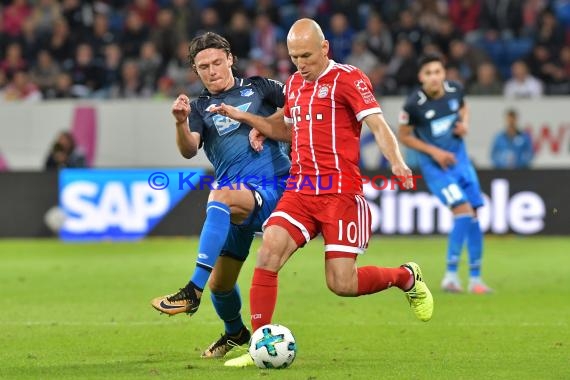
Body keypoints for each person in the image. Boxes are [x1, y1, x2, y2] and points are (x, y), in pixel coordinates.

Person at [211, 19, 434, 368]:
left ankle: (406, 276)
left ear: (325, 48)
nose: (300, 64)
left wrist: (398, 162)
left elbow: (378, 124)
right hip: (300, 190)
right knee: (268, 250)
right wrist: (254, 124)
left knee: (341, 283)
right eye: (294, 56)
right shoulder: (296, 84)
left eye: (306, 56)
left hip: (339, 194)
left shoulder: (349, 79)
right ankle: (260, 344)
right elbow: (285, 127)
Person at [150, 32, 291, 359]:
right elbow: (188, 150)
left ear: (230, 58)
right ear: (195, 72)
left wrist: (263, 124)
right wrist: (180, 123)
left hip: (274, 187)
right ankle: (235, 332)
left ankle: (191, 291)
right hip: (237, 199)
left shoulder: (259, 88)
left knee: (220, 196)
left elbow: (300, 106)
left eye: (216, 62)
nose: (212, 70)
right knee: (222, 286)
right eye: (203, 67)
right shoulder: (198, 107)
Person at [398, 53, 492, 295]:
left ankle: (475, 278)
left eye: (437, 72)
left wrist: (465, 123)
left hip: (461, 163)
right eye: (428, 73)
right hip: (437, 169)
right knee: (463, 212)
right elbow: (404, 136)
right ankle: (450, 276)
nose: (434, 77)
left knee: (474, 216)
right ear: (421, 77)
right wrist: (434, 152)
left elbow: (464, 107)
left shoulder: (455, 89)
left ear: (444, 73)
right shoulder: (413, 105)